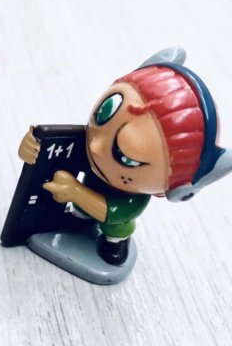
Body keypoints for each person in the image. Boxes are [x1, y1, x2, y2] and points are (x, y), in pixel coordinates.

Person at [19, 49, 232, 265]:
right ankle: (79, 217)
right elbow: (55, 155)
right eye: (105, 112)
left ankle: (115, 242)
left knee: (115, 227)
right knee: (80, 213)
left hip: (111, 220)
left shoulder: (133, 199)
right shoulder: (86, 145)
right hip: (82, 196)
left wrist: (75, 192)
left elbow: (109, 211)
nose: (96, 146)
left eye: (127, 157)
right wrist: (31, 146)